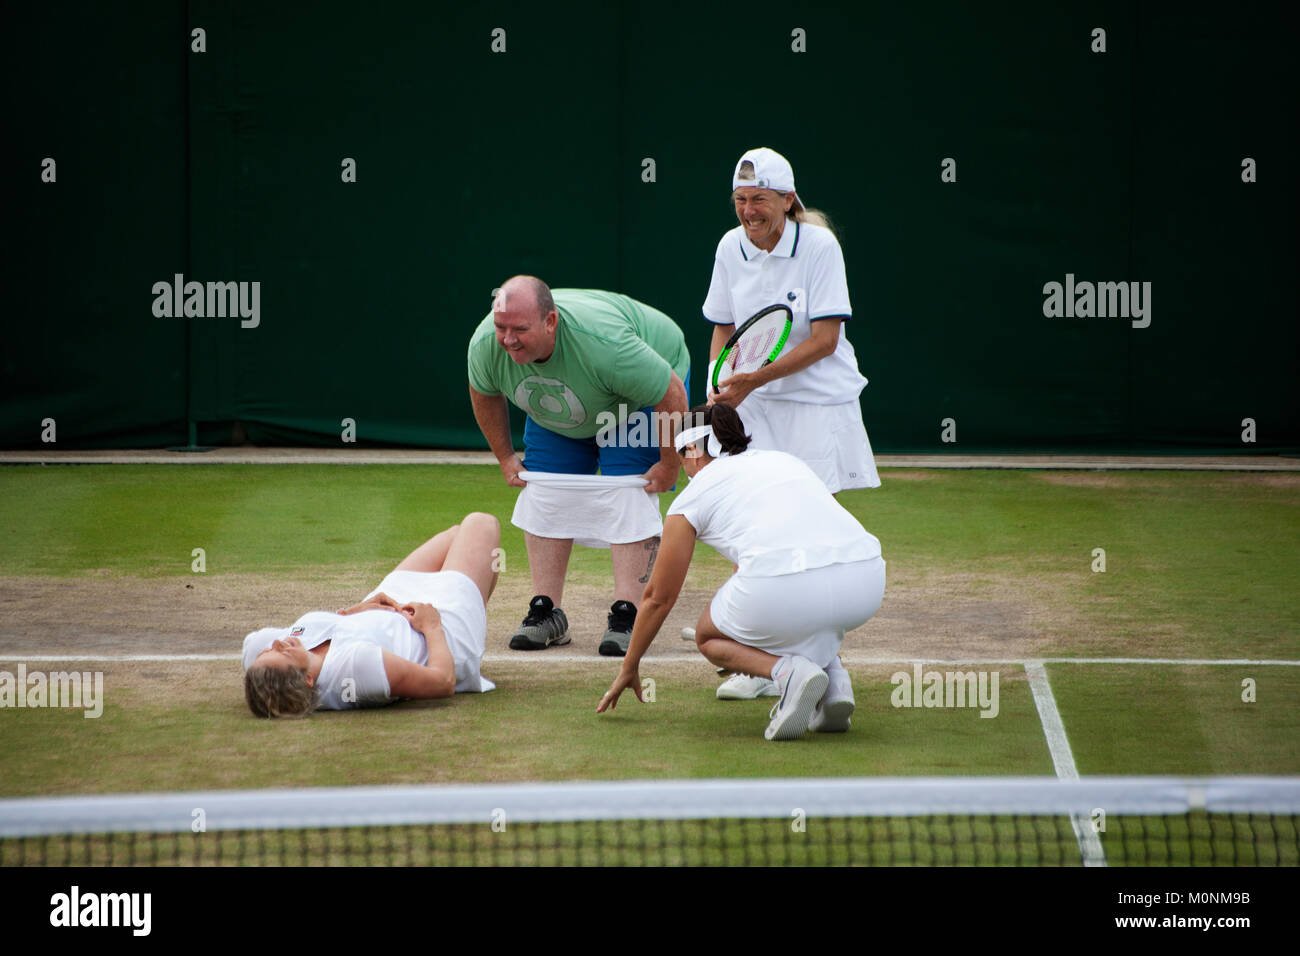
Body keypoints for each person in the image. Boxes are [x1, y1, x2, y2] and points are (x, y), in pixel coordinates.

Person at [701, 146, 883, 699]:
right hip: (753, 403)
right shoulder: (731, 246)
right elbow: (723, 325)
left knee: (813, 538)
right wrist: (716, 385)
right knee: (757, 529)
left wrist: (754, 379)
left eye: (759, 199)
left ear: (787, 200)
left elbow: (826, 341)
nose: (748, 210)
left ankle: (832, 672)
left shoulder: (820, 247)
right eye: (740, 200)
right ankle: (767, 665)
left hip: (816, 407)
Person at [596, 404, 886, 741]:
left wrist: (630, 665)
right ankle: (835, 684)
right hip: (865, 580)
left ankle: (787, 673)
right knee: (808, 602)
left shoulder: (692, 497)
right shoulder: (785, 461)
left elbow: (658, 597)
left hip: (788, 588)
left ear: (692, 449)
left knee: (710, 636)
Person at [467, 275, 690, 657]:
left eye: (520, 329)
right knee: (547, 486)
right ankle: (546, 611)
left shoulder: (607, 347)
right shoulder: (486, 343)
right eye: (502, 327)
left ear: (550, 322)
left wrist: (669, 464)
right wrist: (505, 456)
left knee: (629, 487)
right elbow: (484, 392)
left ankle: (627, 614)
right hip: (566, 401)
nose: (507, 339)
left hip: (631, 397)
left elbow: (670, 392)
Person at [242, 513, 500, 718]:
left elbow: (266, 660)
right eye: (283, 653)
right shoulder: (357, 669)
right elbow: (443, 683)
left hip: (389, 603)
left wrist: (356, 611)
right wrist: (433, 626)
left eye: (268, 652)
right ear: (309, 680)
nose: (276, 644)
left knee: (456, 535)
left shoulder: (263, 658)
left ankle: (470, 595)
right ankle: (470, 610)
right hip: (444, 629)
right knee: (480, 524)